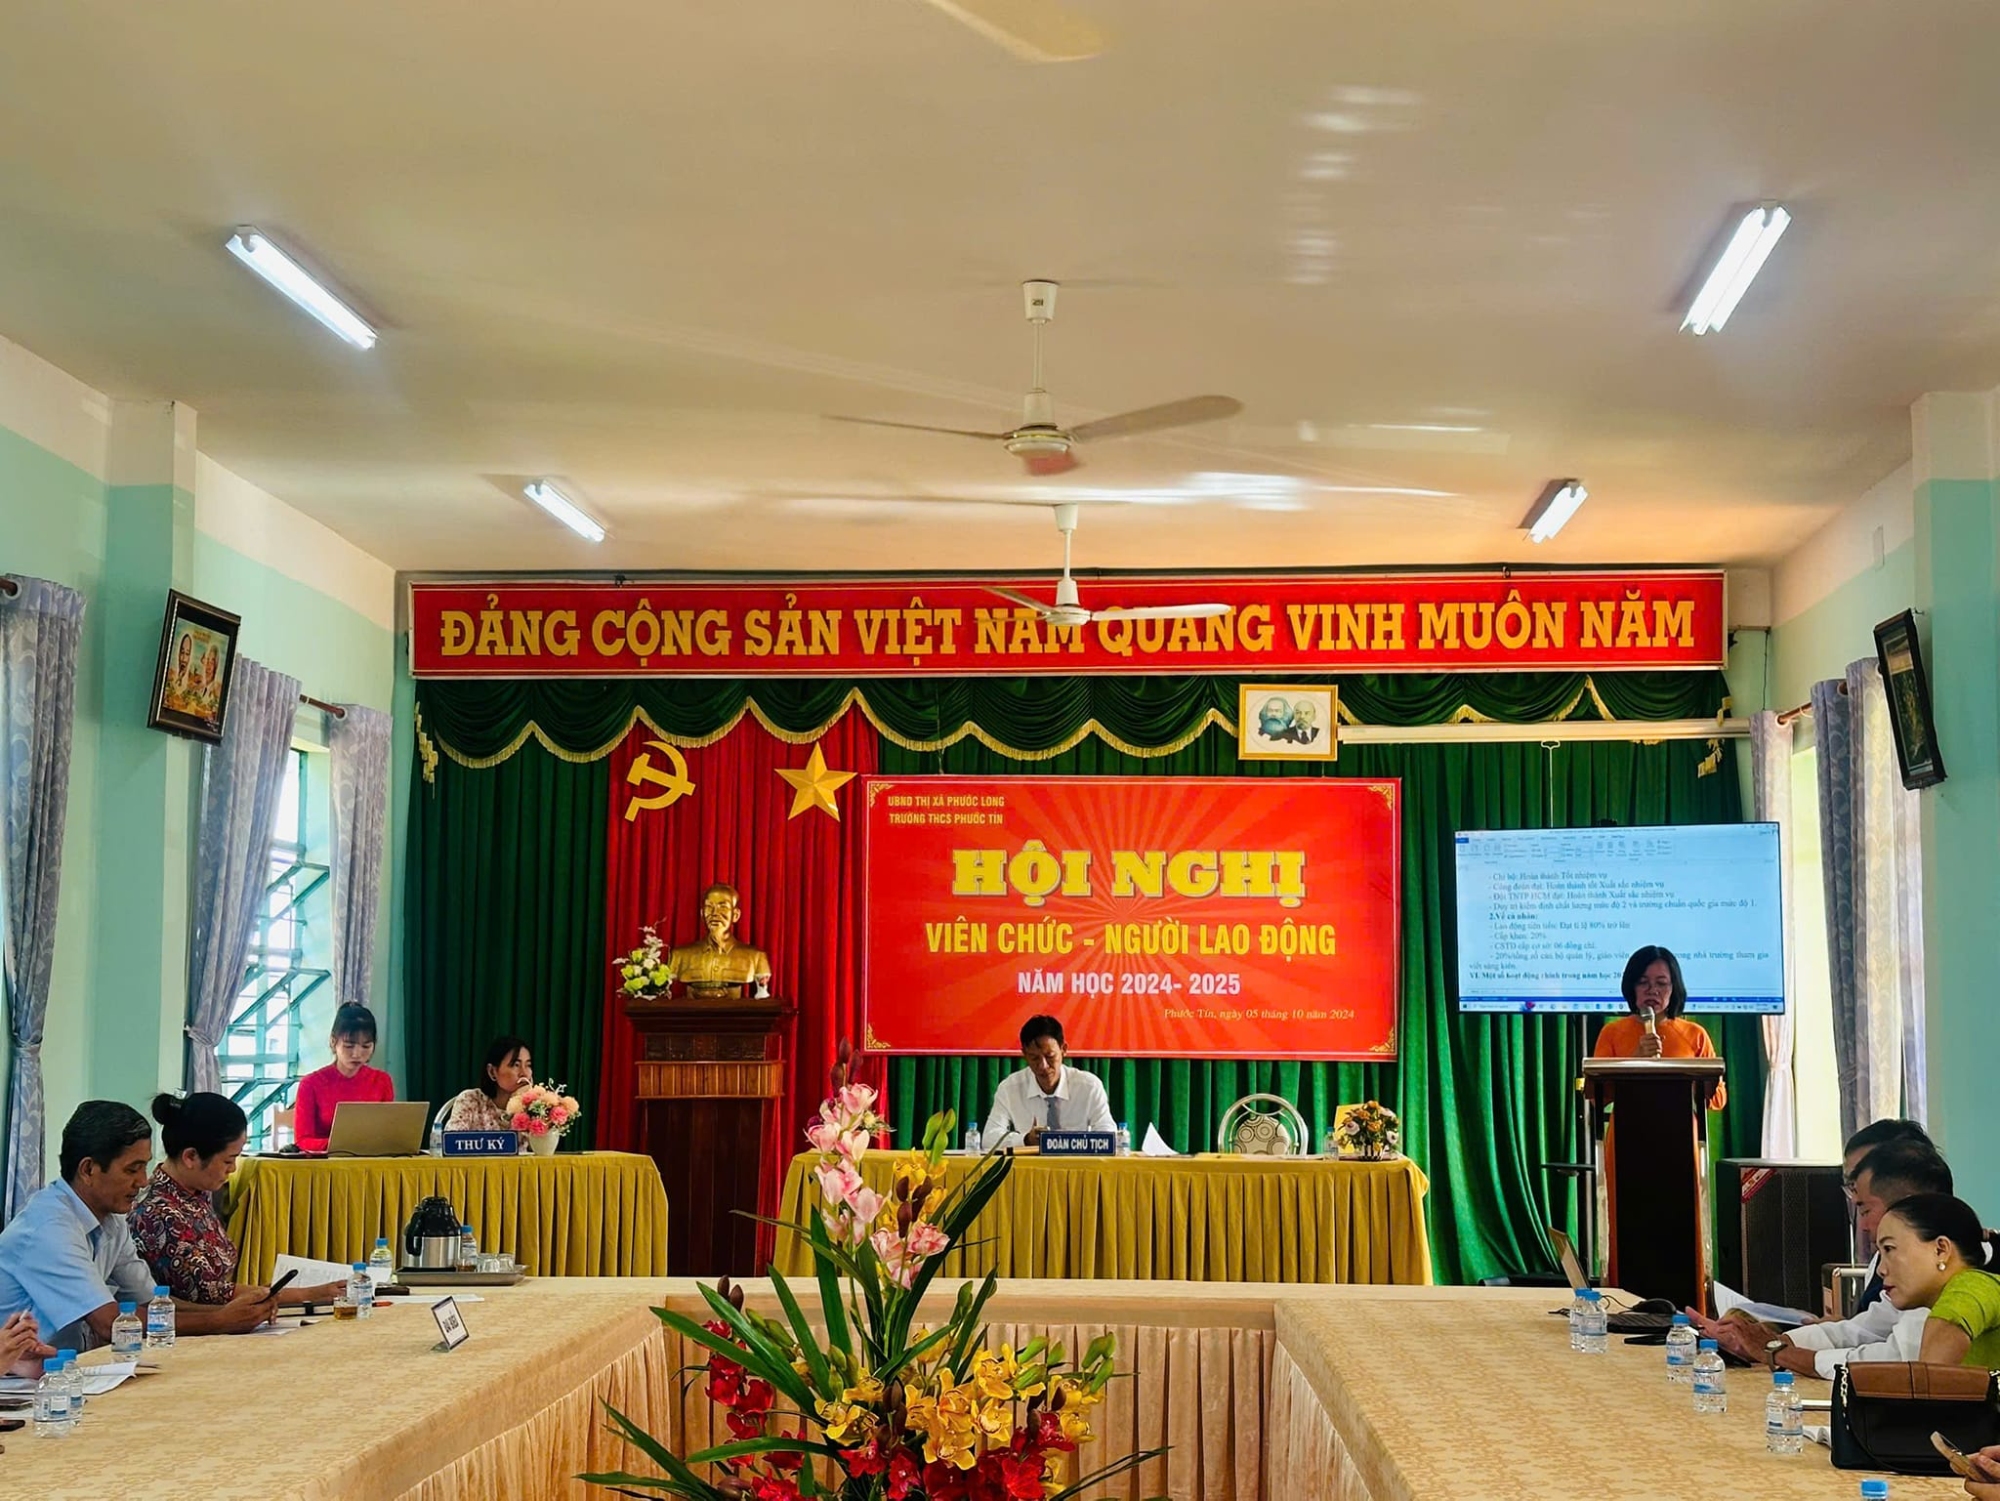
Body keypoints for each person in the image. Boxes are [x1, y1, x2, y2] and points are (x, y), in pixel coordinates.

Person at [0, 1101, 276, 1350]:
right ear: (88, 1170)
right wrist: (219, 1321)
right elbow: (109, 1323)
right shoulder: (49, 1228)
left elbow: (151, 1303)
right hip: (24, 1379)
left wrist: (235, 1311)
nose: (143, 1181)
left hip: (72, 1367)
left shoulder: (111, 1218)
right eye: (132, 1170)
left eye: (144, 1167)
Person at [1692, 1135, 1953, 1375]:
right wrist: (1763, 1342)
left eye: (1864, 1209)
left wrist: (1776, 1352)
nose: (1862, 1225)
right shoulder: (1919, 1275)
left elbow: (1890, 1363)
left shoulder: (1961, 1289)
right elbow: (1863, 1329)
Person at [130, 1093, 343, 1307]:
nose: (232, 1169)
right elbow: (209, 1294)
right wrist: (307, 1294)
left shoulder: (195, 1191)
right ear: (191, 1157)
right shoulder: (158, 1214)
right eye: (228, 1160)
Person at [1873, 1193, 2000, 1367]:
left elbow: (1931, 1378)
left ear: (1941, 1250)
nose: (1881, 1270)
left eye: (1889, 1248)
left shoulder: (1973, 1286)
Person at [1592, 945, 1726, 1110]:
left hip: (1680, 1125)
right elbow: (1597, 1098)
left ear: (1673, 988)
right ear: (1631, 986)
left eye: (1661, 983)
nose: (1652, 990)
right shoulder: (1612, 1032)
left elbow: (1719, 1099)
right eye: (1643, 982)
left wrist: (1686, 1082)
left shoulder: (1695, 1034)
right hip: (1626, 1126)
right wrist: (1634, 1063)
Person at [984, 1015, 1115, 1150]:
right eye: (1034, 1058)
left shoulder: (1089, 1086)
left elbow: (1108, 1134)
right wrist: (1026, 1139)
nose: (1043, 1066)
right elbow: (989, 1138)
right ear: (1024, 1055)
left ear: (1063, 1049)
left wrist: (1072, 1142)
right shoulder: (1010, 1088)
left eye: (1050, 1056)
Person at [293, 1002, 396, 1152]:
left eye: (366, 1046)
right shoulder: (311, 1084)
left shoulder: (382, 1081)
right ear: (333, 1042)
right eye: (349, 1046)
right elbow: (302, 1141)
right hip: (325, 1162)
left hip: (370, 1161)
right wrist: (344, 1146)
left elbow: (387, 1133)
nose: (357, 1054)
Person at [440, 1036, 534, 1133]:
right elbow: (452, 1139)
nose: (524, 1073)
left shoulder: (536, 1106)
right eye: (516, 1065)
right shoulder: (471, 1100)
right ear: (492, 1071)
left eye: (528, 1065)